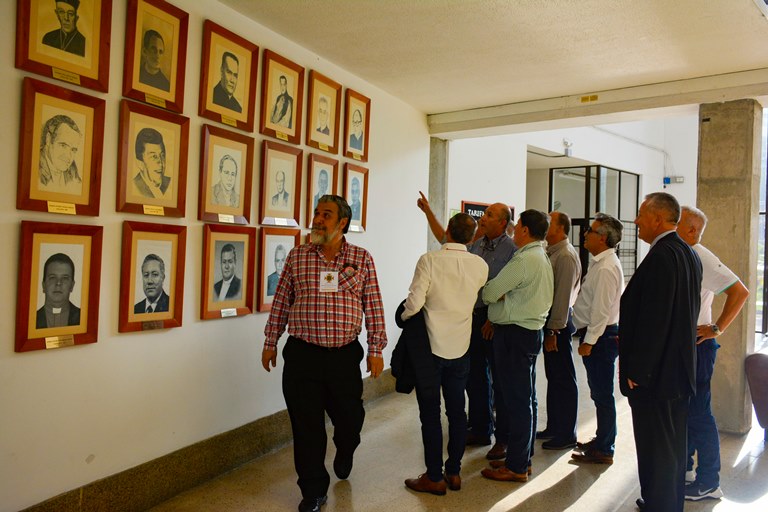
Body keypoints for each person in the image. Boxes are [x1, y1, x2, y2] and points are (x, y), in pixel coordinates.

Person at [262, 194, 387, 512]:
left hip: (344, 357)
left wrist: (376, 348)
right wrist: (270, 341)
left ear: (342, 222)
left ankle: (346, 449)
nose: (317, 219)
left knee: (350, 419)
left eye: (326, 214)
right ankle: (313, 490)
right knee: (306, 427)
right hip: (302, 355)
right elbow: (281, 301)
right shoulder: (297, 256)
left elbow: (372, 305)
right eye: (316, 212)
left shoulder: (362, 257)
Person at [416, 193, 516, 461]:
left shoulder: (513, 249)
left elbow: (512, 290)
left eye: (490, 216)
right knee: (474, 378)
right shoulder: (476, 243)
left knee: (499, 381)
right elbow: (447, 240)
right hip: (470, 318)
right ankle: (481, 428)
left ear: (503, 222)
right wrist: (428, 212)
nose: (483, 218)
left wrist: (493, 319)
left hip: (493, 318)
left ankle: (503, 439)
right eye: (484, 215)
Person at [619, 192, 701, 512]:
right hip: (676, 371)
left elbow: (655, 320)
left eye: (641, 214)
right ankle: (661, 500)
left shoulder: (663, 255)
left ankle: (661, 504)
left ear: (657, 218)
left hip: (657, 376)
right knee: (670, 446)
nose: (637, 221)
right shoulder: (686, 252)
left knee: (658, 447)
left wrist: (639, 372)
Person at [401, 213, 489, 495]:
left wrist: (403, 316)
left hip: (430, 348)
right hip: (461, 346)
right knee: (457, 413)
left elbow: (414, 304)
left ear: (448, 230)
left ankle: (434, 476)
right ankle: (454, 472)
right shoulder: (480, 265)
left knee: (430, 413)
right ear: (473, 237)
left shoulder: (429, 260)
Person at [676, 206, 749, 501]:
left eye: (676, 221)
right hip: (686, 347)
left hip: (699, 348)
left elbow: (740, 292)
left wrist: (716, 328)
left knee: (699, 414)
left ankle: (708, 482)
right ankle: (690, 471)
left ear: (692, 230)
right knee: (689, 413)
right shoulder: (681, 254)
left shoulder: (701, 256)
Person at [480, 209, 553, 483]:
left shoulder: (523, 260)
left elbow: (488, 293)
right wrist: (505, 293)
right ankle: (522, 459)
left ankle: (517, 466)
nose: (515, 229)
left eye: (517, 224)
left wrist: (501, 294)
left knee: (517, 402)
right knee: (524, 399)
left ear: (524, 230)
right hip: (528, 332)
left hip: (514, 334)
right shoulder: (540, 256)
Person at [570, 213, 625, 465]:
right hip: (600, 336)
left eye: (589, 231)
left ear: (602, 238)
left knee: (602, 394)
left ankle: (604, 448)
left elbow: (601, 311)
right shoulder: (601, 262)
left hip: (601, 338)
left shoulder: (605, 267)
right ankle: (603, 440)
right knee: (599, 393)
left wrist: (589, 341)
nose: (585, 234)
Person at [537, 211, 581, 450]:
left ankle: (566, 434)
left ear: (561, 227)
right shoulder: (551, 252)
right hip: (553, 325)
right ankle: (554, 427)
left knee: (564, 380)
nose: (545, 224)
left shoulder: (564, 256)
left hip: (559, 327)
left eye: (550, 221)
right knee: (554, 378)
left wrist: (553, 331)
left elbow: (562, 298)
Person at [39, 114, 82, 193]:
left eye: (73, 150)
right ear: (48, 139)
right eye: (63, 145)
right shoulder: (35, 167)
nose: (68, 156)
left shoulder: (72, 169)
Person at [36, 253, 80, 328]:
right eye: (52, 277)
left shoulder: (83, 318)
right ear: (43, 285)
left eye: (65, 278)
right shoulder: (31, 320)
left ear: (72, 285)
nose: (58, 283)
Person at [133, 128, 170, 199]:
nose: (161, 163)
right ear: (140, 163)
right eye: (154, 156)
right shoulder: (134, 187)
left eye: (162, 155)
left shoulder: (170, 183)